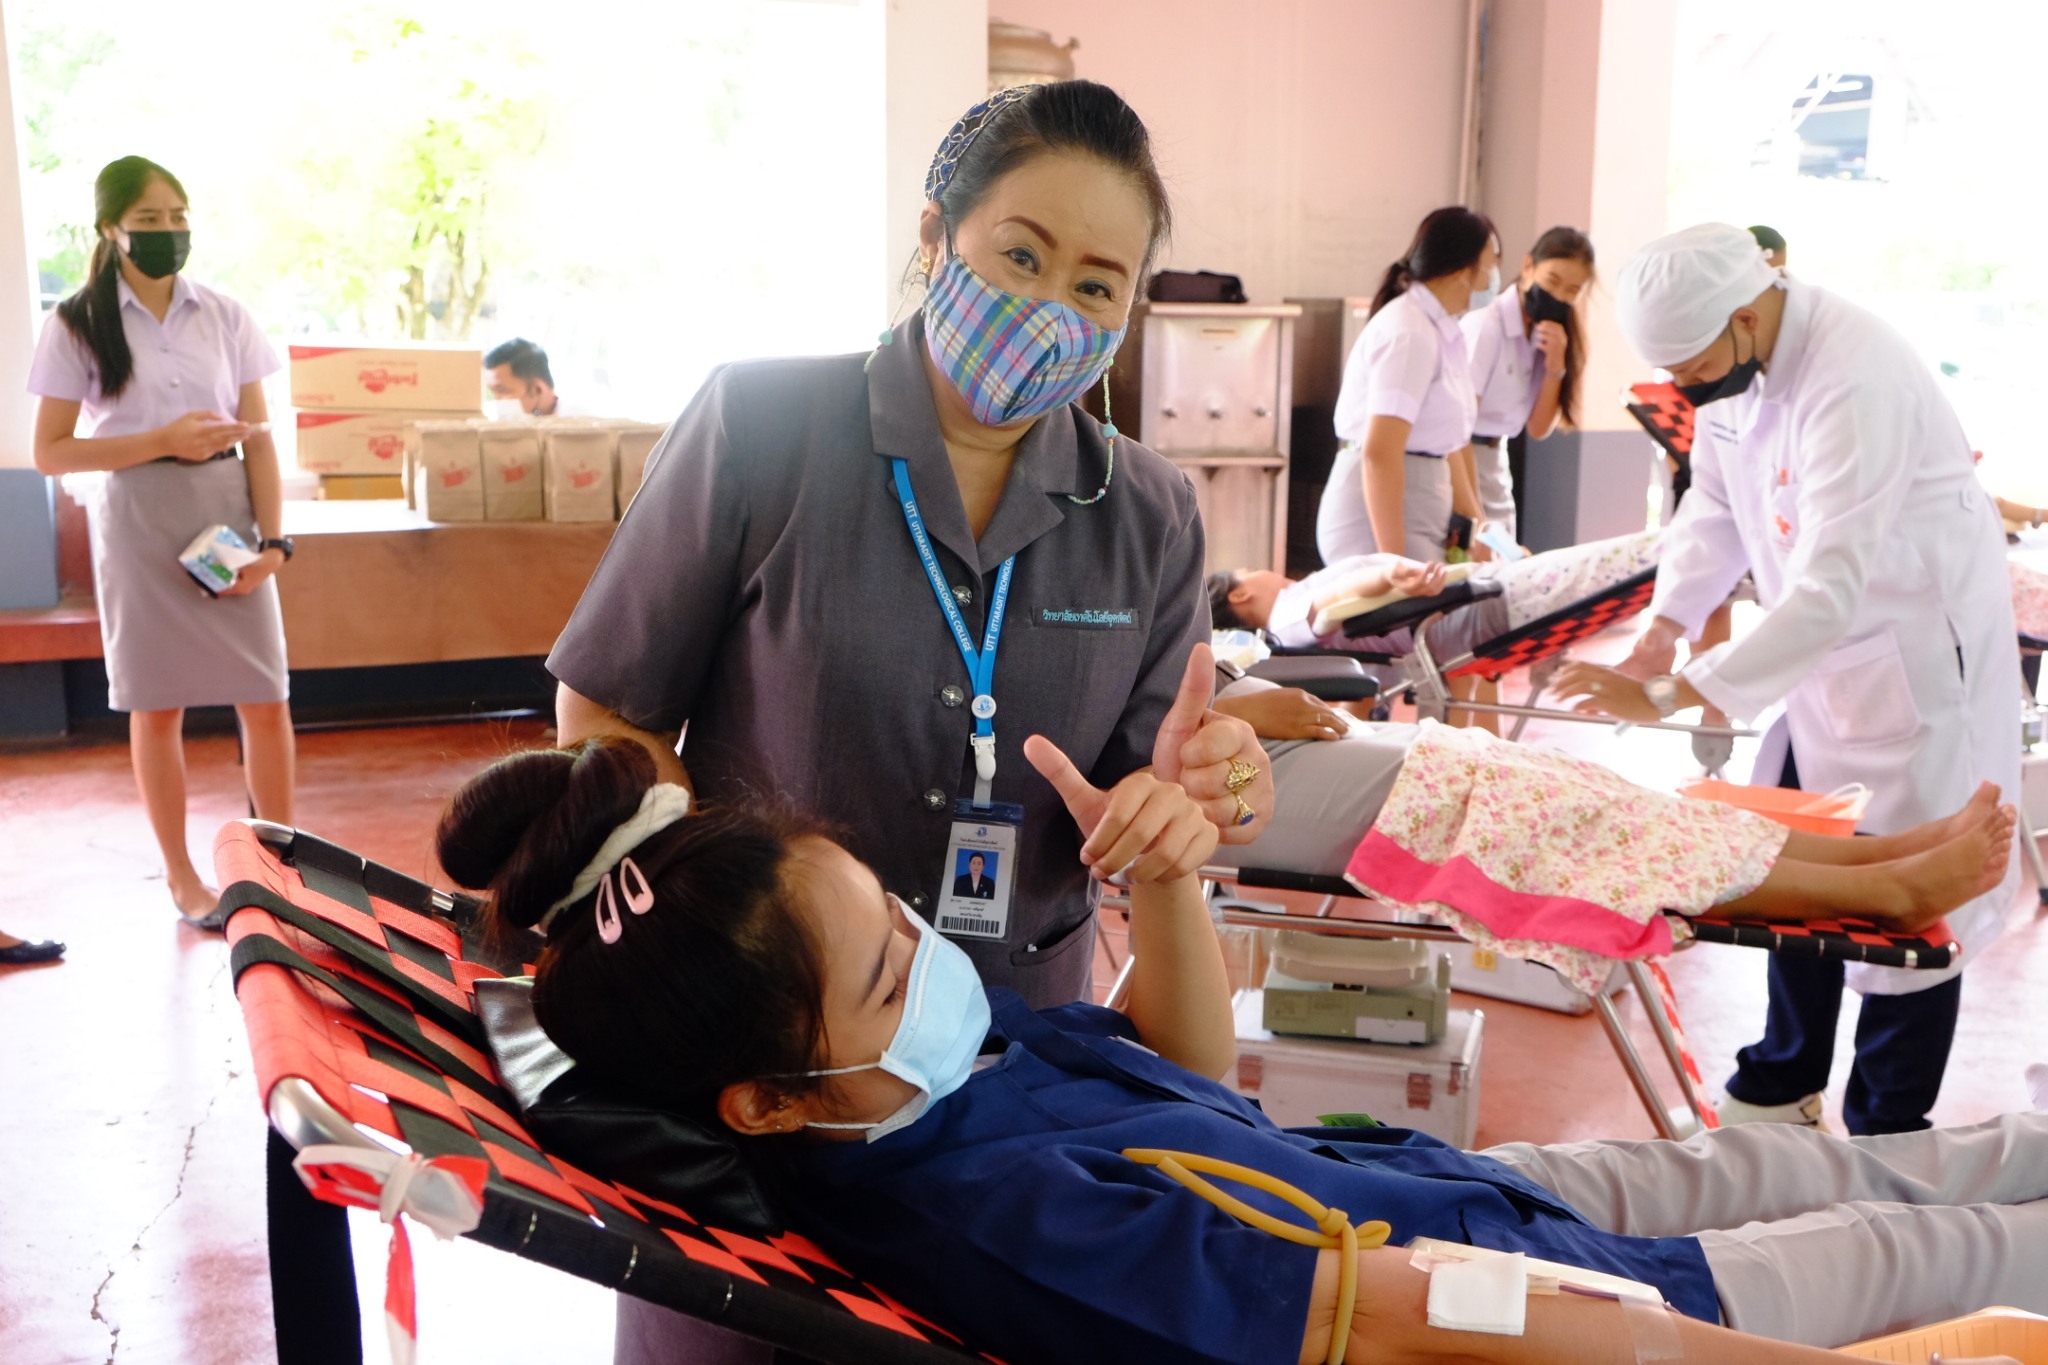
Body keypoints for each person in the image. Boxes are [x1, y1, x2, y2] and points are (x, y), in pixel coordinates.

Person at [434, 723, 2048, 1365]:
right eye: (882, 968)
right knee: (1944, 1260)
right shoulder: (990, 1214)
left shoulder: (934, 1101)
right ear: (769, 1096)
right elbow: (1414, 1323)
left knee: (1844, 1161)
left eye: (900, 914)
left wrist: (1165, 881)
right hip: (1560, 1299)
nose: (933, 960)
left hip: (1467, 1196)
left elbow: (1186, 1083)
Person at [545, 79, 1274, 1016]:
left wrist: (1229, 787)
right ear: (936, 239)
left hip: (1019, 1036)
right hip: (772, 1013)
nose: (1051, 309)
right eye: (1021, 255)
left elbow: (1173, 781)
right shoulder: (762, 429)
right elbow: (604, 706)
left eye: (1095, 285)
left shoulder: (1148, 510)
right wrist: (715, 911)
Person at [1557, 222, 2023, 1135]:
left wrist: (1663, 695)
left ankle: (1890, 1123)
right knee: (1793, 855)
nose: (1687, 389)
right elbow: (1715, 506)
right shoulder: (1741, 364)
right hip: (1827, 663)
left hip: (1917, 660)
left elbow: (1832, 586)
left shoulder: (1857, 375)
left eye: (1692, 368)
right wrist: (1661, 634)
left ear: (1743, 313)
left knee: (1919, 899)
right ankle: (1782, 1076)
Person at [29, 156, 294, 926]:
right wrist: (161, 440)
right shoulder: (76, 322)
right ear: (110, 230)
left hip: (226, 509)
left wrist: (274, 542)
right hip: (138, 519)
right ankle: (183, 877)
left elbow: (262, 439)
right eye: (149, 220)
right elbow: (52, 451)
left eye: (178, 216)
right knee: (156, 704)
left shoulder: (225, 313)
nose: (169, 231)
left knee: (267, 696)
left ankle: (279, 865)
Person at [1316, 207, 1498, 565]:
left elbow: (1453, 444)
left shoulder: (1443, 333)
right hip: (1380, 513)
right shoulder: (1409, 333)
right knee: (1402, 617)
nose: (1492, 280)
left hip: (1422, 502)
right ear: (1463, 268)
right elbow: (1380, 453)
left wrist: (1477, 526)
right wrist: (1393, 563)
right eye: (1489, 267)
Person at [1210, 526, 1661, 659]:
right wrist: (1391, 580)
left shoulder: (1292, 612)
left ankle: (1699, 547)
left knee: (1623, 560)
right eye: (1252, 572)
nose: (1266, 571)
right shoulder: (1288, 616)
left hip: (1481, 596)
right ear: (1240, 596)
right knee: (1634, 560)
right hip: (1478, 605)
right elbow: (1337, 602)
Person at [1460, 226, 1595, 544]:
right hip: (1462, 464)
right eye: (1553, 281)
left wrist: (1555, 368)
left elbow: (1537, 428)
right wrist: (1474, 516)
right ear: (1527, 267)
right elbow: (1457, 429)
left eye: (1572, 291)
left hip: (1496, 462)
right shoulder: (1486, 327)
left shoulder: (1546, 336)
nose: (1560, 297)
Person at [484, 337, 572, 416]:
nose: (496, 400)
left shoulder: (576, 423)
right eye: (493, 391)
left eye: (502, 390)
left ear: (537, 389)